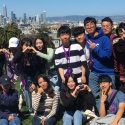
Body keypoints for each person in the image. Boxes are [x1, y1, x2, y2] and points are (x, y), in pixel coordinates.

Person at [84, 17, 115, 109]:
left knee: (111, 95)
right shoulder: (86, 37)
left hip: (107, 71)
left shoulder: (104, 38)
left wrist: (95, 48)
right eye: (87, 25)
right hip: (94, 71)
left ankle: (113, 113)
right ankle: (101, 113)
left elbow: (107, 55)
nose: (89, 27)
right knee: (94, 95)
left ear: (95, 25)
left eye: (91, 24)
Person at [13, 38, 38, 113]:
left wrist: (34, 81)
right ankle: (30, 108)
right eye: (25, 45)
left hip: (34, 74)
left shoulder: (33, 54)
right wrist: (23, 52)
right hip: (25, 75)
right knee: (26, 90)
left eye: (29, 45)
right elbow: (15, 60)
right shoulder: (20, 53)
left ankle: (34, 108)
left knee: (31, 91)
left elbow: (37, 68)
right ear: (21, 46)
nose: (27, 47)